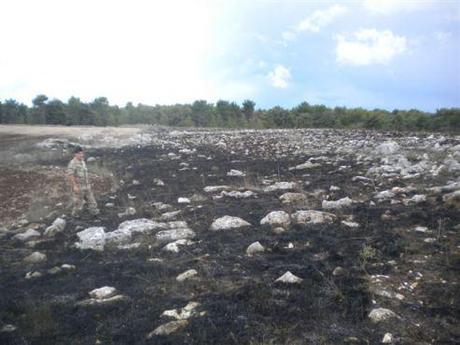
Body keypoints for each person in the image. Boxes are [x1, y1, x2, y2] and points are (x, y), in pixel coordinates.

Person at [66, 146, 99, 217]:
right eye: (79, 153)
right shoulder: (72, 163)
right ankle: (75, 217)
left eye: (82, 153)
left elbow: (85, 173)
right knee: (78, 204)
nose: (81, 155)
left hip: (87, 186)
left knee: (92, 202)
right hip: (79, 186)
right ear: (75, 154)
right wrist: (74, 186)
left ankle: (95, 215)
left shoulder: (83, 162)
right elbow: (70, 175)